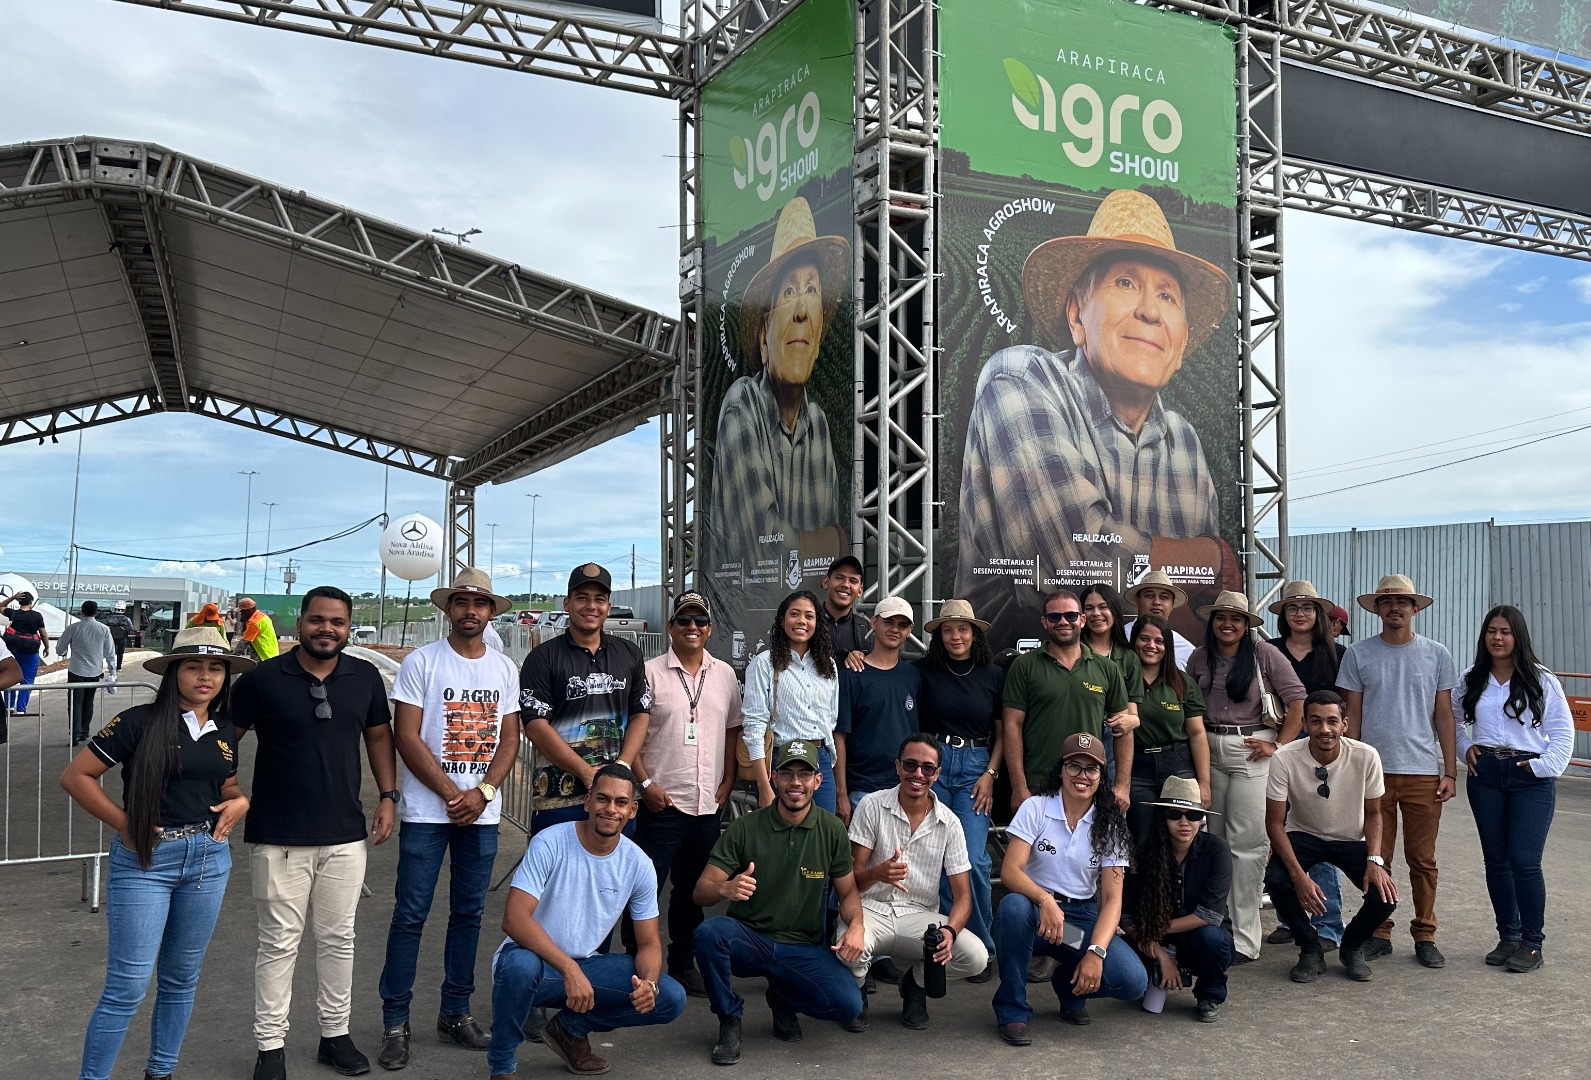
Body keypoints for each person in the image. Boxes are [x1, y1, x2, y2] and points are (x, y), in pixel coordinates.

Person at [955, 188, 1239, 646]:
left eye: (1166, 295)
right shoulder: (1020, 378)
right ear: (1076, 315)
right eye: (1125, 283)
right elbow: (1073, 565)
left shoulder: (1186, 443)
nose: (1149, 310)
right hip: (1026, 686)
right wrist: (1211, 559)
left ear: (1182, 343)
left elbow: (1208, 616)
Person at [59, 626, 253, 1080]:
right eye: (193, 666)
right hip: (145, 863)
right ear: (172, 673)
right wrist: (127, 823)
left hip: (208, 859)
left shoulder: (224, 731)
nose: (205, 677)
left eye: (215, 668)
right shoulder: (137, 723)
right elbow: (77, 777)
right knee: (127, 987)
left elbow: (224, 784)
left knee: (181, 980)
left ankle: (161, 1072)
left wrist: (240, 800)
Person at [231, 586, 400, 1080]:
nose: (327, 629)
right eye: (318, 620)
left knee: (338, 939)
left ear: (349, 627)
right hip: (278, 836)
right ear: (300, 623)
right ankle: (270, 1048)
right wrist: (226, 790)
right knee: (279, 943)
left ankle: (335, 1035)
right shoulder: (262, 679)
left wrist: (388, 797)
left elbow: (378, 739)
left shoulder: (364, 676)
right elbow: (225, 740)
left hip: (345, 836)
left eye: (338, 622)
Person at [377, 569, 523, 1070]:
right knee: (411, 915)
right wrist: (449, 793)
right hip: (425, 812)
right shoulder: (422, 662)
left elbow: (510, 739)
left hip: (480, 816)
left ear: (490, 613)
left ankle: (455, 1012)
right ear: (449, 608)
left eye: (479, 604)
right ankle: (395, 1020)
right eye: (461, 601)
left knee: (468, 915)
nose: (470, 611)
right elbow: (407, 735)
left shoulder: (504, 668)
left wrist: (481, 794)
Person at [486, 764, 686, 1079]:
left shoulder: (638, 864)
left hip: (588, 968)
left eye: (621, 803)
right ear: (588, 801)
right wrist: (569, 969)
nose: (610, 809)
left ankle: (569, 1029)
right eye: (602, 799)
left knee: (670, 998)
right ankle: (502, 1065)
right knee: (518, 968)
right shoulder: (550, 842)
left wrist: (648, 984)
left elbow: (649, 942)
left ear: (633, 810)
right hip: (534, 964)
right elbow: (514, 919)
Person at [693, 739, 866, 1065]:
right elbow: (701, 891)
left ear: (818, 781)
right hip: (750, 940)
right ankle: (729, 1018)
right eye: (787, 774)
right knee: (710, 934)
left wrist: (856, 925)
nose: (795, 783)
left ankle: (783, 994)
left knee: (848, 1005)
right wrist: (726, 889)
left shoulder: (831, 830)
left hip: (800, 947)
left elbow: (848, 892)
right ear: (773, 777)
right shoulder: (746, 827)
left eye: (804, 774)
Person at [708, 196, 850, 577]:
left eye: (812, 291)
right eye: (789, 292)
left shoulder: (817, 423)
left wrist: (817, 548)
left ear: (818, 338)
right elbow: (763, 549)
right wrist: (833, 541)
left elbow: (825, 568)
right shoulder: (742, 404)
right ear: (764, 338)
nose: (802, 310)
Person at [991, 732, 1145, 1047]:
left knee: (1133, 980)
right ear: (1061, 769)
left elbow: (1113, 900)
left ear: (1102, 776)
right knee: (1012, 909)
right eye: (1074, 766)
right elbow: (1010, 870)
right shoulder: (1036, 807)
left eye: (1091, 769)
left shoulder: (1110, 823)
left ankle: (1069, 984)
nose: (1082, 776)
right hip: (1035, 917)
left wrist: (1095, 953)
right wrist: (1045, 900)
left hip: (1074, 926)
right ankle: (1013, 1011)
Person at [1339, 574, 1459, 969]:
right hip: (1374, 771)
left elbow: (1444, 715)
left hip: (1423, 771)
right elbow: (1352, 717)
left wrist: (1450, 770)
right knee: (1377, 858)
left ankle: (1425, 933)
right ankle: (1380, 931)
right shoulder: (1358, 654)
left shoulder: (1436, 654)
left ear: (1414, 608)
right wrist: (1350, 766)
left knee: (1423, 860)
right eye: (1387, 601)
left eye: (1402, 601)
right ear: (1376, 608)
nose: (1394, 607)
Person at [630, 591, 744, 995]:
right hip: (662, 800)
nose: (692, 627)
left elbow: (732, 729)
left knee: (692, 890)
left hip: (706, 804)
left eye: (699, 621)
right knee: (645, 886)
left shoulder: (726, 675)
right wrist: (645, 785)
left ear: (710, 628)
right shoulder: (649, 673)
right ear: (672, 627)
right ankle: (633, 963)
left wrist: (729, 779)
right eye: (684, 621)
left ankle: (682, 961)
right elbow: (634, 735)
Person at [1184, 591, 1304, 962]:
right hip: (1210, 747)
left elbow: (1298, 700)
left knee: (1247, 846)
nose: (1227, 624)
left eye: (1236, 618)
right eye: (1221, 617)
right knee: (1214, 841)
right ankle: (1215, 929)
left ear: (1247, 625)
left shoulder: (1265, 654)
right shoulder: (1200, 657)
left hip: (1252, 749)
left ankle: (1245, 940)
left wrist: (1280, 746)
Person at [1455, 605, 1574, 973]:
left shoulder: (1542, 679)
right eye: (1491, 630)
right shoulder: (1472, 678)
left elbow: (1563, 731)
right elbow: (1451, 719)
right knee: (1496, 859)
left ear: (1518, 636)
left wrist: (1542, 767)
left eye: (1505, 631)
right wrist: (1465, 749)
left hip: (1530, 779)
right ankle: (1508, 935)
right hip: (1486, 774)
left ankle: (1532, 943)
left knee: (1524, 861)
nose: (1497, 637)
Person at [842, 734, 988, 1030]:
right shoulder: (871, 805)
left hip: (920, 918)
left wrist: (950, 930)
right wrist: (877, 874)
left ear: (937, 774)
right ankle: (856, 994)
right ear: (898, 767)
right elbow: (849, 883)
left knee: (976, 957)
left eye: (927, 768)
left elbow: (963, 899)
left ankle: (915, 985)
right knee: (848, 949)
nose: (918, 774)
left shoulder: (950, 822)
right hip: (870, 909)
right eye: (910, 765)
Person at [1264, 691, 1399, 984]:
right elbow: (1274, 822)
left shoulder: (1366, 756)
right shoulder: (1284, 758)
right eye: (1316, 721)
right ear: (1304, 724)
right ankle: (1310, 948)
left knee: (1384, 898)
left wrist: (1375, 861)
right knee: (1277, 880)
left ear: (1344, 724)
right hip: (1303, 834)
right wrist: (1299, 876)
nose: (1324, 729)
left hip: (1351, 837)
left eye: (1332, 721)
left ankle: (1351, 947)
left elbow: (1375, 814)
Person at [518, 563, 651, 833]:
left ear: (609, 607)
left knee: (614, 874)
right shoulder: (542, 658)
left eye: (599, 599)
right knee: (557, 874)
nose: (591, 606)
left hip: (617, 802)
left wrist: (622, 767)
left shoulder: (630, 654)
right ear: (567, 603)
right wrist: (586, 771)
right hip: (558, 802)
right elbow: (535, 724)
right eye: (582, 598)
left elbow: (640, 713)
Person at [914, 599, 1004, 980]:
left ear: (975, 633)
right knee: (936, 859)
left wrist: (991, 774)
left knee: (974, 861)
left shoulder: (993, 673)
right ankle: (949, 943)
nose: (955, 636)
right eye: (948, 629)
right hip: (933, 765)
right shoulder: (922, 672)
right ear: (938, 635)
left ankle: (981, 947)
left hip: (975, 769)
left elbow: (1003, 732)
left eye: (963, 629)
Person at [1264, 580, 1348, 950]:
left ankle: (1328, 924)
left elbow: (1346, 707)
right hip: (1279, 747)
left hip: (1323, 749)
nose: (1300, 614)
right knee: (1282, 831)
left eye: (1308, 608)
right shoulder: (1267, 650)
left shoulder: (1337, 654)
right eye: (1293, 608)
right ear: (1284, 616)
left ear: (1319, 615)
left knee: (1320, 831)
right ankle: (1290, 919)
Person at [1002, 589, 1130, 813]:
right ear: (1044, 622)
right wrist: (1018, 787)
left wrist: (1122, 786)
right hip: (1038, 789)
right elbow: (1012, 725)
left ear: (1082, 620)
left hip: (1089, 786)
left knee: (1091, 849)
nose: (1063, 622)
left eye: (1070, 616)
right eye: (1054, 617)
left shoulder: (1107, 669)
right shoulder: (1024, 665)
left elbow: (1123, 729)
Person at [1122, 776, 1232, 1022]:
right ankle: (1151, 974)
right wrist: (1158, 951)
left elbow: (1209, 914)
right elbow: (1125, 914)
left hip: (1194, 936)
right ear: (1163, 817)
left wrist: (1154, 929)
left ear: (1201, 819)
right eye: (1175, 814)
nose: (1185, 822)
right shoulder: (1143, 853)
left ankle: (1209, 995)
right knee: (1118, 956)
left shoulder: (1217, 850)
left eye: (1193, 815)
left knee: (1213, 939)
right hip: (1153, 938)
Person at [740, 590, 841, 814]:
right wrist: (764, 785)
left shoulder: (828, 666)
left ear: (817, 622)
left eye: (809, 615)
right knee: (778, 839)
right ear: (782, 620)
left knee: (820, 834)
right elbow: (754, 725)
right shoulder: (764, 664)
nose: (802, 621)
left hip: (819, 759)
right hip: (780, 761)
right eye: (794, 614)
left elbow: (831, 718)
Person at [834, 596, 922, 822]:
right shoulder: (851, 675)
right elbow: (839, 737)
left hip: (905, 787)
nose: (895, 630)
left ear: (910, 630)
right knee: (862, 859)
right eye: (889, 622)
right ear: (874, 623)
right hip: (863, 789)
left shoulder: (912, 676)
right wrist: (841, 794)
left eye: (902, 625)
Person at [1125, 615, 1209, 846]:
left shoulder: (1182, 682)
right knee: (1142, 838)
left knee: (1181, 841)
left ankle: (1178, 883)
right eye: (1144, 639)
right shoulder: (1119, 678)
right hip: (1136, 766)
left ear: (1167, 646)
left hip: (1177, 764)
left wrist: (1204, 783)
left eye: (1159, 641)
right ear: (1133, 642)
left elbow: (1197, 733)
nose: (1151, 646)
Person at [1079, 582, 1145, 787]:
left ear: (1114, 611)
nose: (1096, 613)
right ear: (1081, 616)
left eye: (1103, 606)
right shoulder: (1073, 652)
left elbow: (1132, 712)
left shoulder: (1128, 657)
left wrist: (1134, 720)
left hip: (1115, 743)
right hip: (1078, 737)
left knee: (1112, 810)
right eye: (1089, 608)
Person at [55, 601, 119, 745]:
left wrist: (64, 651)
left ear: (82, 612)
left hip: (76, 671)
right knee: (88, 702)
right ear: (96, 612)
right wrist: (113, 671)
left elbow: (60, 649)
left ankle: (75, 734)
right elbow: (110, 653)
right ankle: (85, 731)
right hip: (95, 671)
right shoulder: (104, 629)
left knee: (75, 703)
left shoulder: (73, 628)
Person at [1123, 570, 1195, 666]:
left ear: (1172, 604)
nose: (1156, 602)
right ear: (1137, 600)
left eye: (1164, 597)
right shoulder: (1120, 637)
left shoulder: (1187, 650)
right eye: (1149, 595)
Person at [820, 555, 874, 665]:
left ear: (860, 590)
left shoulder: (866, 630)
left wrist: (863, 659)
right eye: (839, 578)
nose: (845, 584)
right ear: (826, 582)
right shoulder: (808, 624)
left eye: (853, 581)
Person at [2, 590, 48, 714]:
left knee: (10, 676)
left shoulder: (14, 614)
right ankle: (21, 709)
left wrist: (12, 597)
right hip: (30, 652)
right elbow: (43, 634)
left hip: (14, 651)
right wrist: (46, 647)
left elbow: (0, 606)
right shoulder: (37, 616)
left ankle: (9, 706)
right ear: (31, 602)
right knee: (27, 680)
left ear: (19, 601)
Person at [234, 598, 280, 663]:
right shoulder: (263, 616)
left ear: (249, 611)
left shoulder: (254, 622)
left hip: (263, 655)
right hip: (271, 652)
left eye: (242, 612)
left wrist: (232, 656)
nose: (241, 614)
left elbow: (244, 642)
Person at [103, 600, 135, 672]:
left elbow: (104, 627)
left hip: (111, 637)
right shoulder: (127, 619)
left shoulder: (109, 618)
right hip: (122, 638)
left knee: (111, 653)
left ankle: (111, 667)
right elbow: (131, 629)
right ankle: (119, 667)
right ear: (124, 609)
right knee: (120, 653)